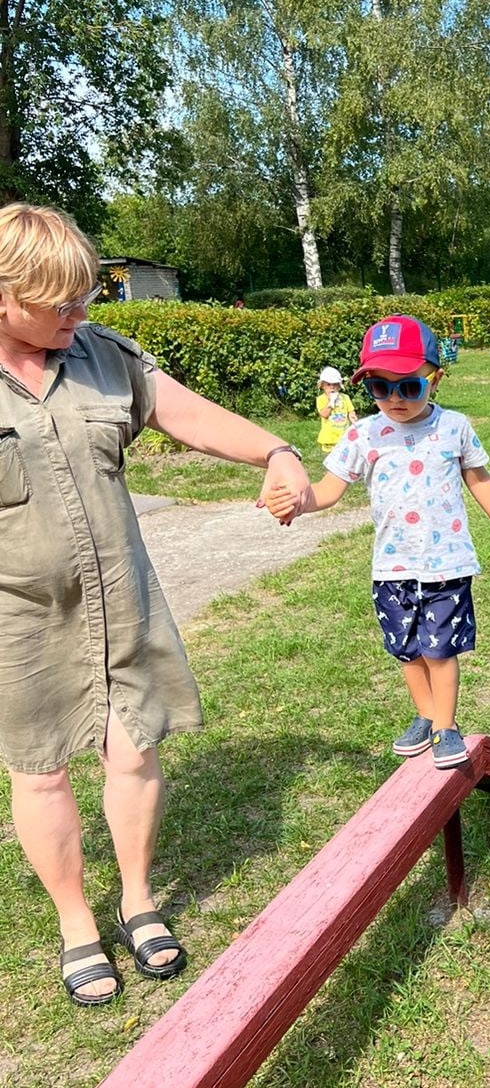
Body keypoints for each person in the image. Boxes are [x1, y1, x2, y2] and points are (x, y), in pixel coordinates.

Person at [0, 203, 312, 1007]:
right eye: (59, 303)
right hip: (17, 616)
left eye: (85, 298)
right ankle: (77, 922)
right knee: (41, 771)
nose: (79, 314)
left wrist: (276, 451)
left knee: (135, 749)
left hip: (119, 595)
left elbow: (189, 416)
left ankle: (137, 900)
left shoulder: (103, 356)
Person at [265, 316, 490, 770]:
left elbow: (479, 478)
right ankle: (426, 715)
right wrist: (299, 501)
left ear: (435, 379)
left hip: (445, 563)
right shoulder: (363, 433)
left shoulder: (454, 427)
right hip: (391, 567)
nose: (395, 399)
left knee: (440, 649)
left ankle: (445, 726)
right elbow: (329, 489)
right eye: (380, 388)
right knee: (407, 648)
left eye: (409, 387)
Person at [315, 364, 357, 452]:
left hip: (343, 435)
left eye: (335, 384)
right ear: (322, 386)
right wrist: (331, 401)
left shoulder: (345, 398)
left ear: (339, 386)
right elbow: (324, 415)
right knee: (332, 458)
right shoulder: (321, 399)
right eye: (328, 384)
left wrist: (353, 418)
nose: (332, 387)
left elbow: (351, 411)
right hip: (329, 437)